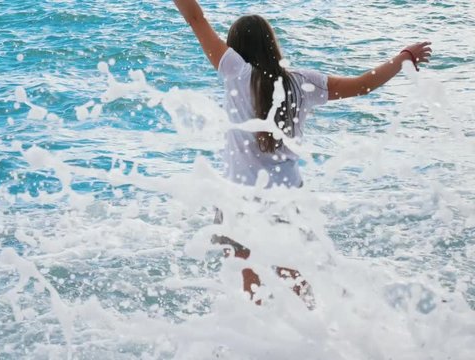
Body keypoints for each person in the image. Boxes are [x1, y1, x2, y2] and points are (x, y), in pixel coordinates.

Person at [173, 0, 432, 304]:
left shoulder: (234, 71)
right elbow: (364, 85)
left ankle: (256, 337)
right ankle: (321, 328)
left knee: (248, 274)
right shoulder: (302, 83)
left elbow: (195, 18)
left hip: (239, 196)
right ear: (272, 44)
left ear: (236, 48)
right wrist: (404, 57)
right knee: (292, 273)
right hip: (285, 196)